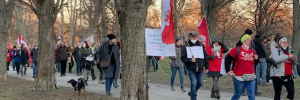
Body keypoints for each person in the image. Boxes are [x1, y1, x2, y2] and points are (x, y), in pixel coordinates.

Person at [225, 34, 258, 100]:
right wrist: (228, 70)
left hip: (251, 77)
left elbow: (255, 63)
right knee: (237, 95)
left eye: (250, 40)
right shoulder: (236, 49)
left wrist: (256, 59)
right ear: (243, 41)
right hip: (239, 77)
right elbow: (227, 59)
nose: (250, 41)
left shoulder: (253, 50)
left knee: (252, 96)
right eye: (248, 40)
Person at [181, 32, 209, 100]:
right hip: (191, 69)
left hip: (200, 69)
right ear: (189, 38)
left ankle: (192, 93)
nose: (194, 39)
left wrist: (207, 66)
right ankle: (193, 97)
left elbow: (205, 57)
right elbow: (183, 58)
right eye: (192, 37)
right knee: (194, 83)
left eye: (195, 37)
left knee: (200, 82)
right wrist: (190, 60)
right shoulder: (185, 46)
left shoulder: (201, 46)